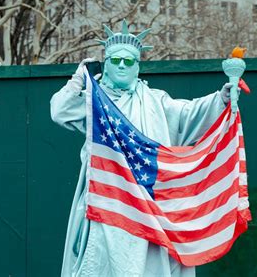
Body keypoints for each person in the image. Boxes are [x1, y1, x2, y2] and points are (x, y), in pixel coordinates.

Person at [50, 20, 238, 277]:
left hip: (147, 202)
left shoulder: (154, 100)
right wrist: (78, 80)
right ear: (106, 64)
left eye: (129, 61)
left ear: (138, 66)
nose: (122, 66)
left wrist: (221, 98)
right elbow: (60, 111)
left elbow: (187, 116)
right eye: (116, 61)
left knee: (148, 264)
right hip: (107, 199)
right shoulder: (95, 101)